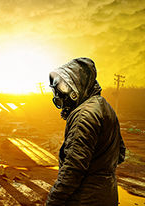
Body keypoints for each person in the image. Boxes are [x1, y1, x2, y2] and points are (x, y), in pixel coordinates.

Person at [46, 57, 126, 205]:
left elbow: (73, 169)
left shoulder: (83, 115)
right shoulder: (105, 108)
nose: (59, 95)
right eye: (57, 89)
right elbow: (120, 154)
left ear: (78, 84)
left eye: (63, 87)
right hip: (107, 196)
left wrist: (53, 201)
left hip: (85, 199)